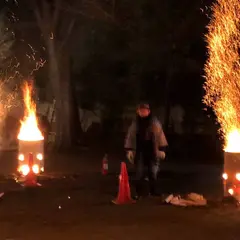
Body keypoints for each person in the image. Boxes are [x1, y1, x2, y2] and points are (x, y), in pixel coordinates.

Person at [124, 103, 168, 199]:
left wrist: (162, 149)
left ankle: (154, 191)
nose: (143, 112)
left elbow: (160, 135)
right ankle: (139, 192)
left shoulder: (155, 122)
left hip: (152, 150)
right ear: (138, 111)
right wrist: (129, 150)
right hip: (139, 151)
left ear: (149, 111)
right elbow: (130, 137)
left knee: (153, 172)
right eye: (141, 110)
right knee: (139, 172)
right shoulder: (135, 123)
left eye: (145, 110)